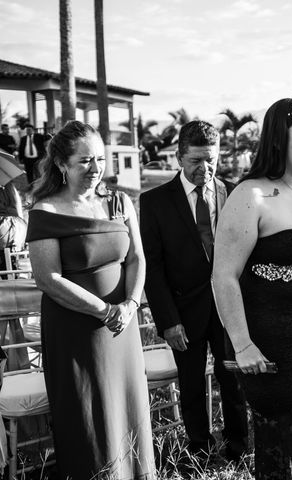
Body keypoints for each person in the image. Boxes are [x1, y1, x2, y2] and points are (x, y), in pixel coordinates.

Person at [212, 96, 292, 480]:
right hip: (270, 347)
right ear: (278, 139)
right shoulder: (250, 196)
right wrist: (243, 344)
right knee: (280, 446)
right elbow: (224, 276)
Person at [25, 121, 154, 479]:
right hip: (75, 329)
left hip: (122, 328)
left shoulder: (119, 201)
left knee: (127, 406)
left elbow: (137, 259)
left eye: (100, 159)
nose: (96, 169)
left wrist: (129, 304)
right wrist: (104, 310)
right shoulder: (46, 211)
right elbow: (47, 278)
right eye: (84, 161)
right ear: (62, 164)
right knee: (88, 414)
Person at [139, 120, 248, 461]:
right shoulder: (155, 201)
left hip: (229, 306)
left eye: (211, 159)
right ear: (179, 157)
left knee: (234, 382)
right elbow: (152, 268)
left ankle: (238, 449)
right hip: (184, 311)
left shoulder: (233, 192)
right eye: (196, 161)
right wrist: (168, 321)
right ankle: (199, 451)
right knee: (190, 387)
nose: (205, 168)